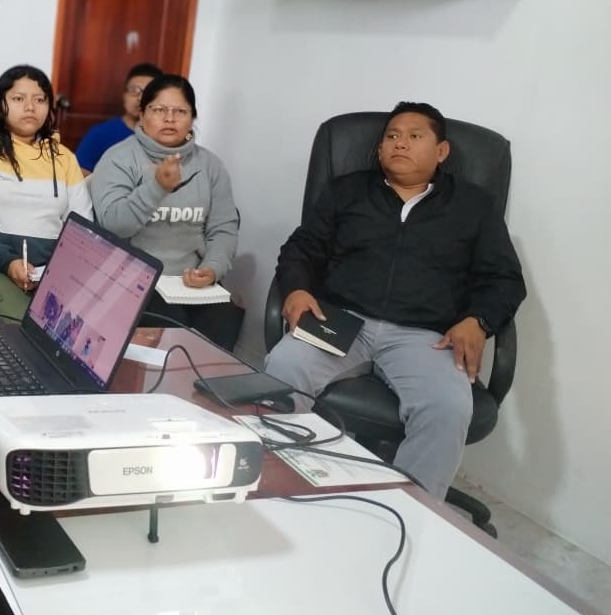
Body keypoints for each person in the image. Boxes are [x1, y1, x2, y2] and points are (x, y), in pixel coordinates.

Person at [265, 102, 526, 500]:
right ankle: (277, 486)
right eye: (392, 136)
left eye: (414, 136)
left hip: (425, 335)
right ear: (380, 148)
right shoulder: (347, 191)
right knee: (283, 367)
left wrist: (479, 320)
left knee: (447, 408)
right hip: (341, 320)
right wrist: (298, 288)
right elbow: (302, 248)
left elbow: (504, 278)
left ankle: (408, 511)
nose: (400, 143)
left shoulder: (474, 206)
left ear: (442, 151)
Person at [90, 74, 243, 351]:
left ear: (192, 118)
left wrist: (212, 268)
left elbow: (224, 227)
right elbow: (113, 225)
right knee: (171, 329)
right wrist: (157, 188)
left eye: (180, 111)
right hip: (132, 281)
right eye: (159, 109)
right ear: (142, 113)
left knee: (223, 325)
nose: (169, 119)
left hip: (192, 285)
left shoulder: (210, 165)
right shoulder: (118, 159)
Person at [0, 65, 91, 320]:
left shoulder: (64, 158)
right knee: (17, 323)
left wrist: (59, 272)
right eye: (18, 98)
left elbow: (83, 230)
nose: (30, 107)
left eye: (40, 100)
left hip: (50, 273)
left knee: (84, 326)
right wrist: (8, 262)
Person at [74, 62, 163, 173]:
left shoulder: (166, 136)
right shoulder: (100, 134)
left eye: (148, 93)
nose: (140, 98)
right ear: (124, 96)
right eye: (134, 90)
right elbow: (80, 175)